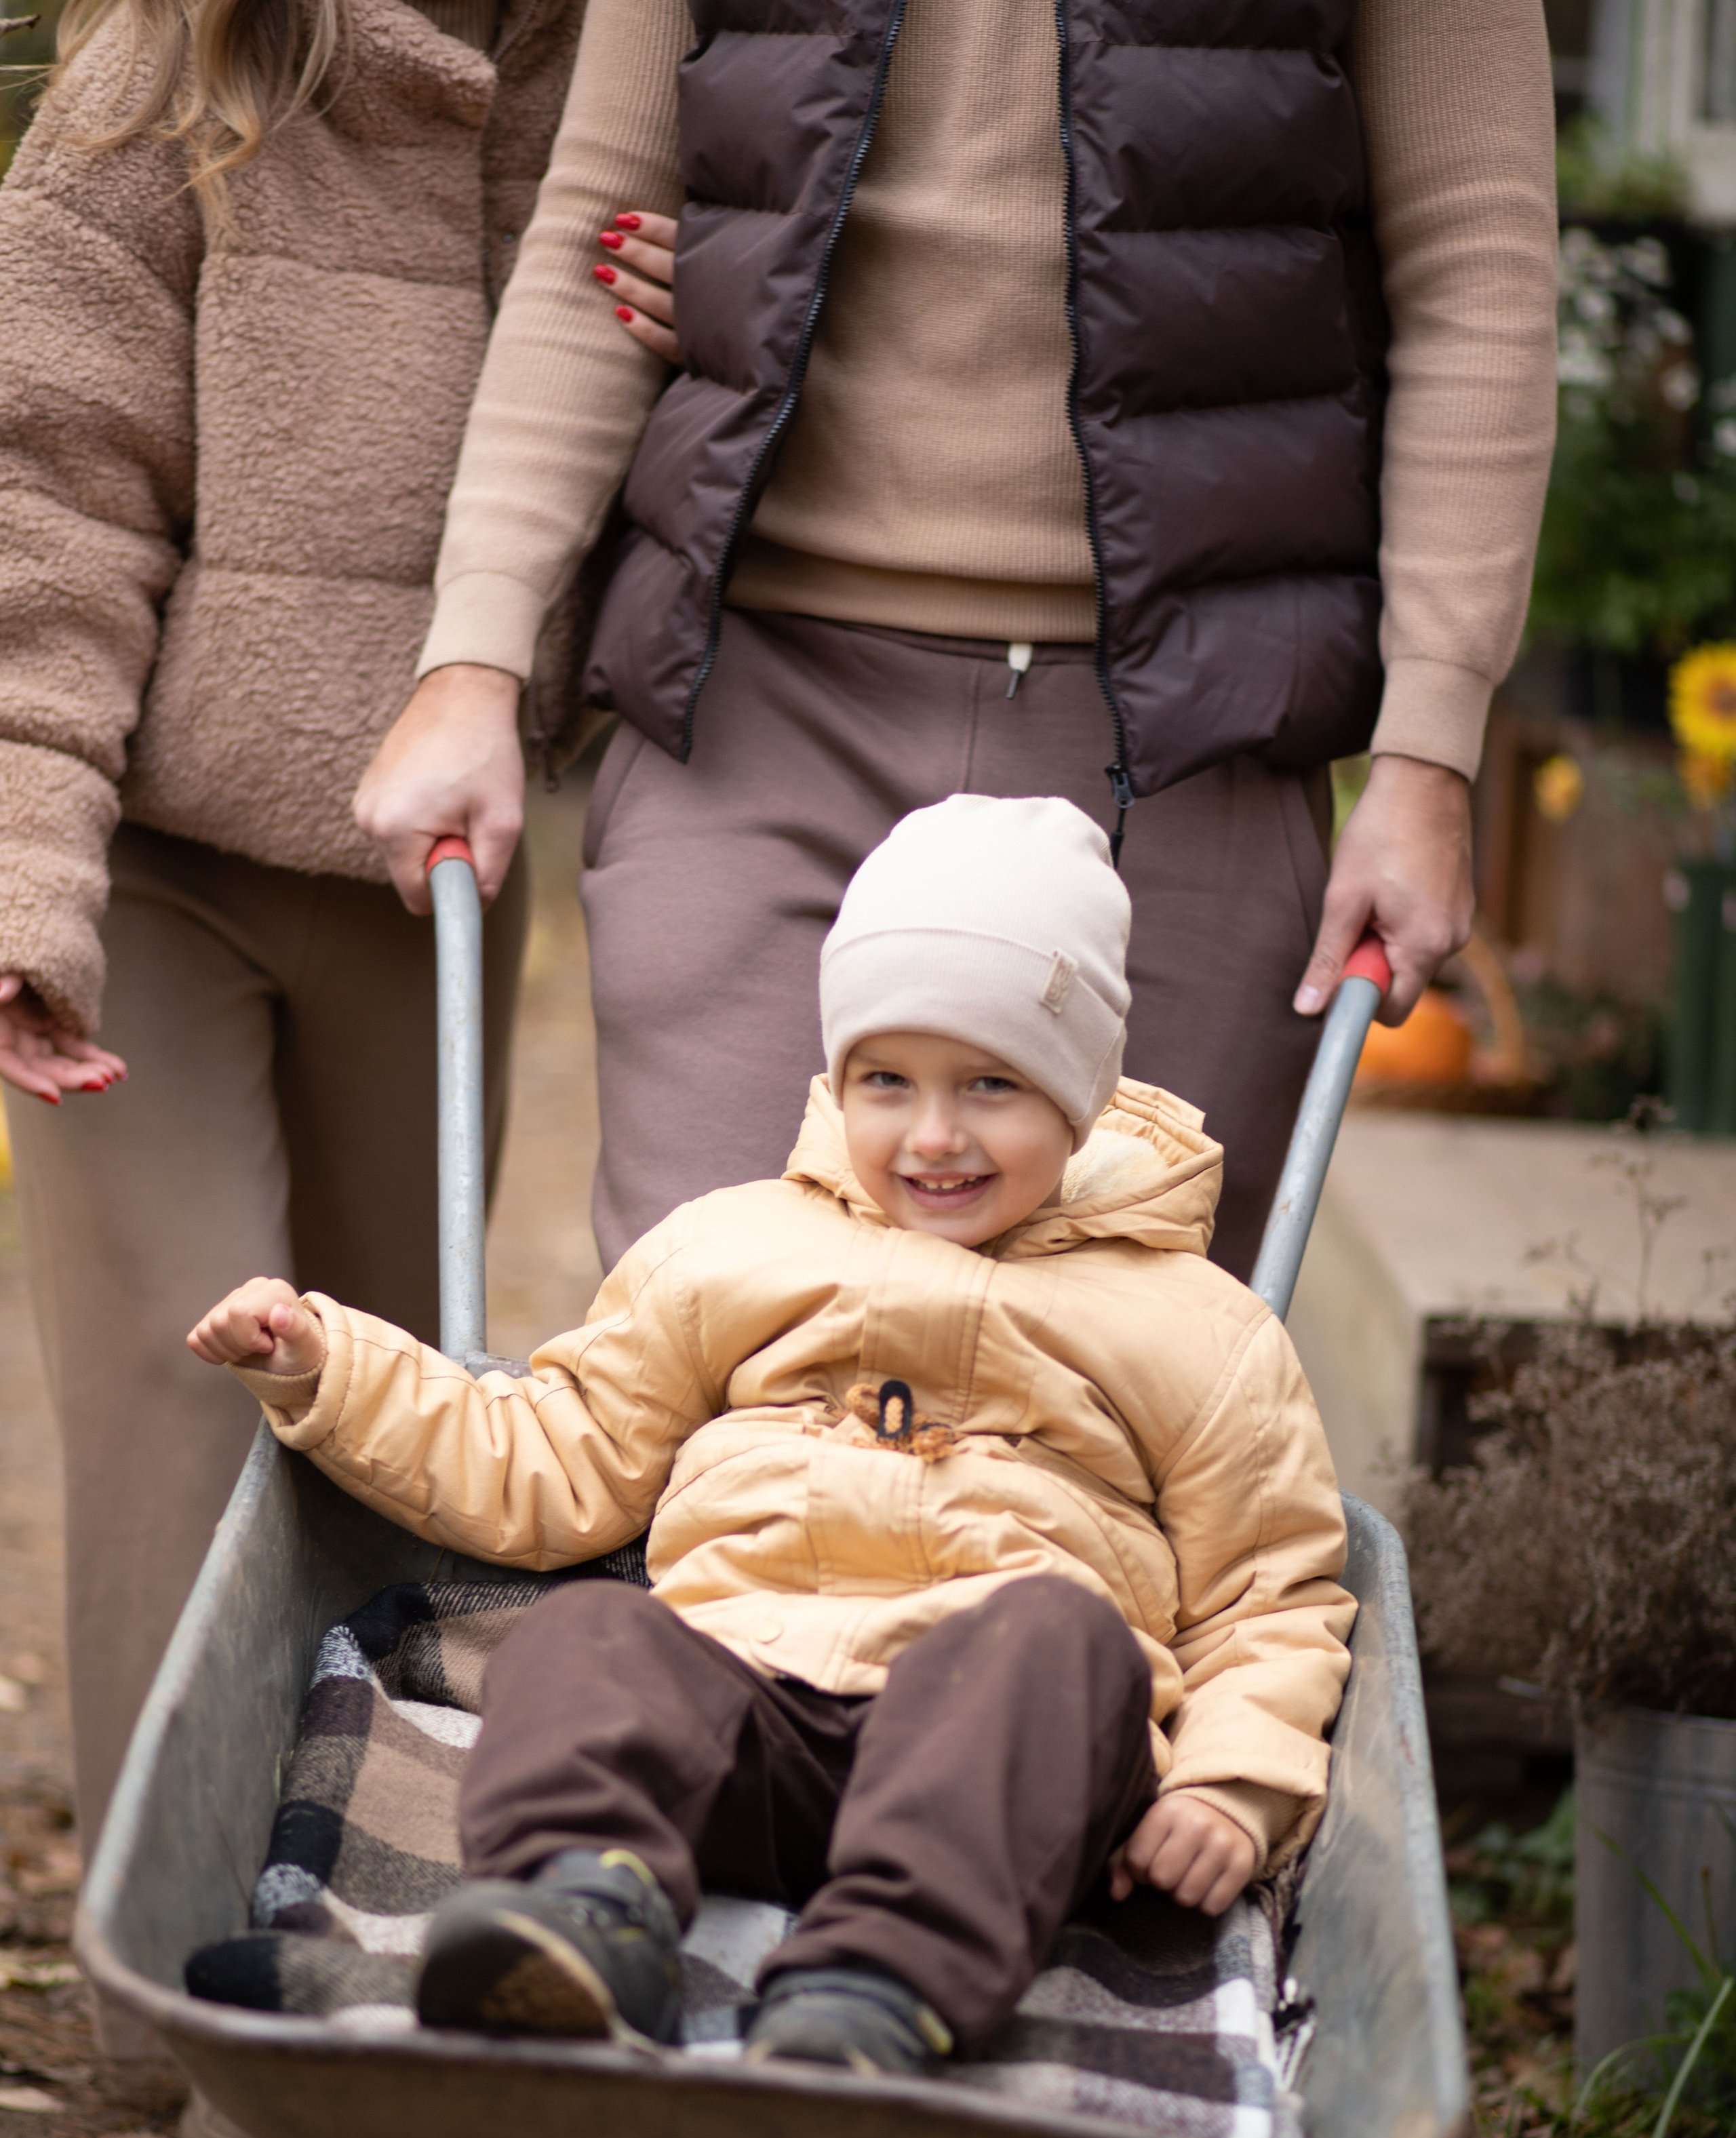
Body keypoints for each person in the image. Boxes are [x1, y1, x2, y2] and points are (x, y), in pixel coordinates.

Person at [355, 0, 1560, 1284]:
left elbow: (1476, 269)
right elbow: (595, 224)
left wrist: (1431, 745)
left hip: (1187, 741)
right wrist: (474, 654)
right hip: (760, 707)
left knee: (1119, 1400)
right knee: (715, 1361)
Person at [186, 795, 1354, 2073]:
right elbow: (559, 1456)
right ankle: (583, 1911)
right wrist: (331, 1368)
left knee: (1069, 1648)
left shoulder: (1199, 1327)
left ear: (1080, 1100)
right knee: (588, 1637)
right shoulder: (733, 1247)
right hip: (741, 1713)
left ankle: (876, 1983)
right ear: (837, 1075)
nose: (936, 1134)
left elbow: (1269, 1599)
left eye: (994, 1086)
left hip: (997, 1764)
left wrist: (1231, 1784)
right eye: (888, 1081)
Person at [0, 0, 675, 2090]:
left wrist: (721, 314)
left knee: (385, 1422)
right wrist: (26, 874)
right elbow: (43, 482)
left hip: (430, 883)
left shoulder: (640, 76)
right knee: (187, 1406)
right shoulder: (188, 70)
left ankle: (346, 1975)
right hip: (151, 878)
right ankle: (188, 2024)